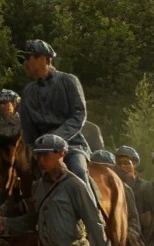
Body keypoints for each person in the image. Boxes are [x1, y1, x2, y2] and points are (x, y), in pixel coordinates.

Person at [19, 40, 96, 189]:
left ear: (44, 59)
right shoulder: (28, 92)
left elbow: (78, 115)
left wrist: (55, 139)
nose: (25, 63)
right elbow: (28, 129)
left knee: (79, 173)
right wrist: (30, 152)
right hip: (40, 152)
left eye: (28, 58)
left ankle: (91, 210)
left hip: (71, 146)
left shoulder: (68, 81)